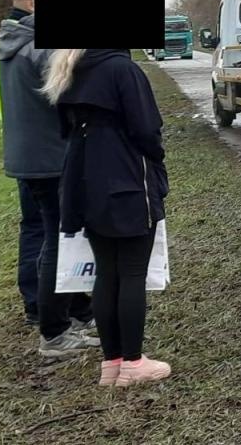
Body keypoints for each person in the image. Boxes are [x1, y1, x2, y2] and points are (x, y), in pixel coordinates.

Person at [42, 49, 171, 384]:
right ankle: (132, 363)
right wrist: (156, 161)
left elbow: (62, 129)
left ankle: (111, 363)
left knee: (106, 272)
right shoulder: (122, 70)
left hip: (82, 179)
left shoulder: (67, 68)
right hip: (124, 176)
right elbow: (146, 130)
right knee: (131, 273)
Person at [0, 0, 97, 355]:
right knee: (59, 242)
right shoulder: (47, 49)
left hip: (31, 155)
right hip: (52, 157)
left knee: (54, 238)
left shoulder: (16, 41)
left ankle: (72, 314)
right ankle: (54, 332)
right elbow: (74, 102)